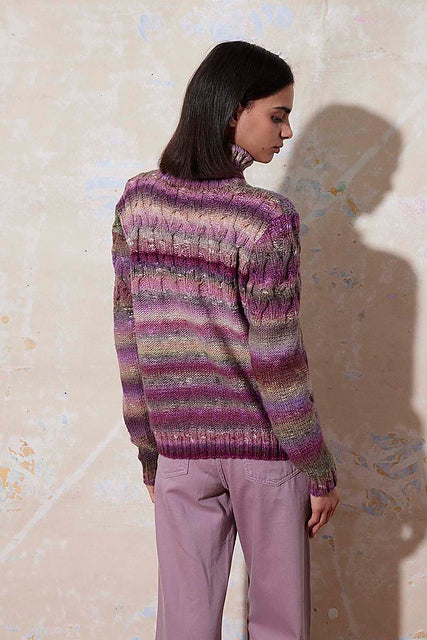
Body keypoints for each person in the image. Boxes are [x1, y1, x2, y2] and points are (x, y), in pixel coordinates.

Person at [112, 40, 340, 640]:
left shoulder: (139, 202)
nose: (286, 132)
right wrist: (317, 468)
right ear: (234, 109)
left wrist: (149, 449)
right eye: (278, 114)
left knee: (183, 624)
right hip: (265, 451)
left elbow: (129, 339)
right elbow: (278, 361)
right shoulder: (266, 218)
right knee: (280, 624)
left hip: (179, 449)